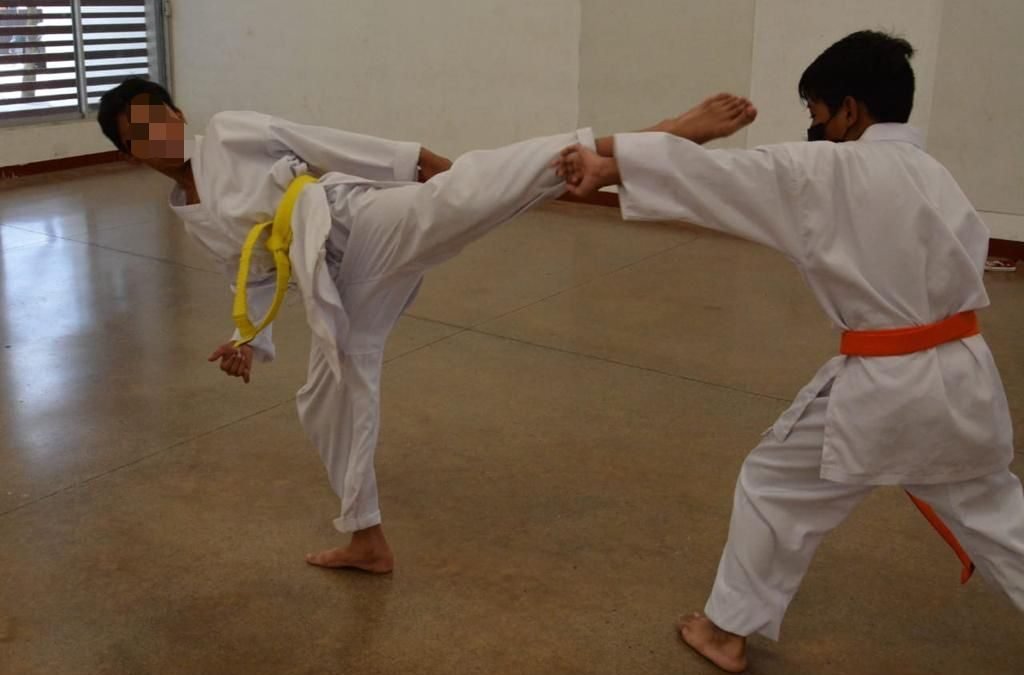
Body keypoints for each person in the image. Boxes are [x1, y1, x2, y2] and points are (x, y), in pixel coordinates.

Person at [97, 77, 757, 573]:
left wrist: (422, 165)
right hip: (333, 287)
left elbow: (328, 144)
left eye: (157, 120)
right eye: (137, 137)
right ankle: (367, 538)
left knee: (471, 187)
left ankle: (654, 137)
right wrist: (248, 341)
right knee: (326, 399)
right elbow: (255, 278)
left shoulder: (233, 128)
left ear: (177, 114)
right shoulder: (191, 208)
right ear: (129, 153)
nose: (155, 138)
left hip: (353, 221)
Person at [555, 30, 1022, 673]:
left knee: (774, 484)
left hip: (887, 384)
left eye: (816, 113)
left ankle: (725, 631)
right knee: (996, 513)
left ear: (850, 111)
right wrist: (618, 165)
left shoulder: (823, 170)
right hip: (964, 373)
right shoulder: (937, 177)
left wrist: (622, 160)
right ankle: (728, 624)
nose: (814, 128)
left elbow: (714, 179)